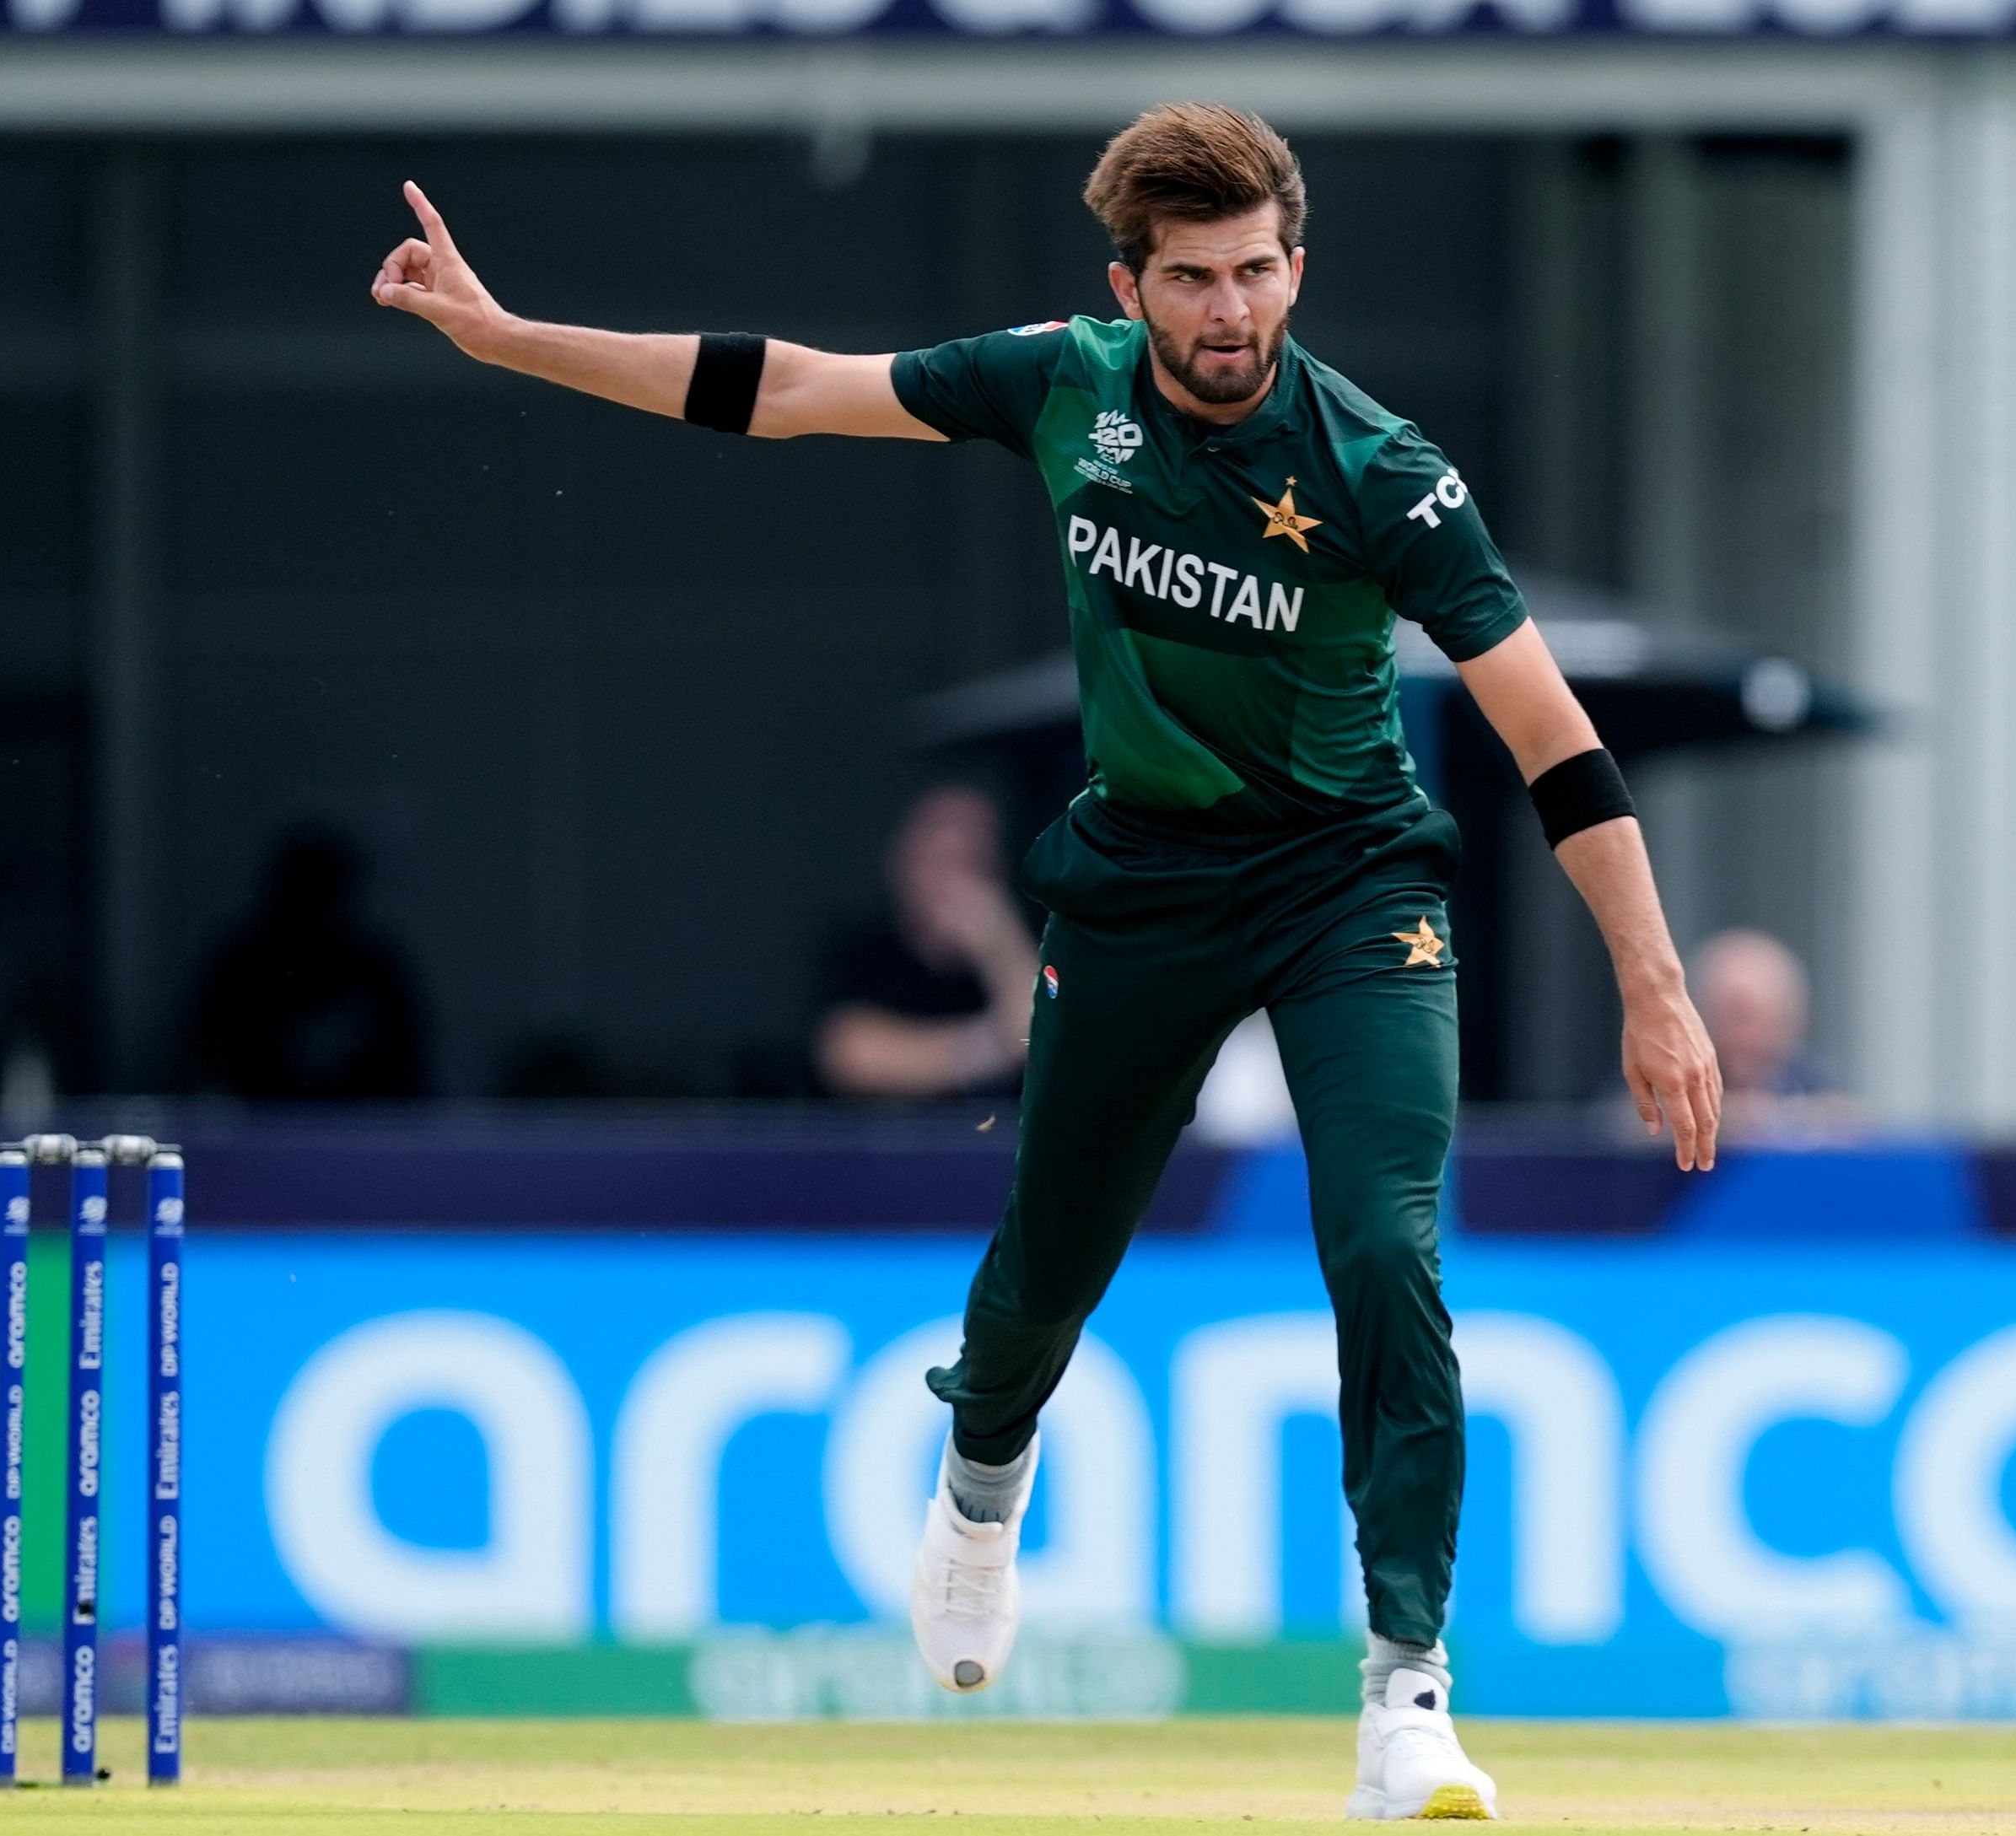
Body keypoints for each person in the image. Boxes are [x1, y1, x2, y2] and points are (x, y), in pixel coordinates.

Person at [371, 104, 1722, 1820]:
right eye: (1192, 280)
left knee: (1387, 1243)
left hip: (1348, 884)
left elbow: (1553, 730)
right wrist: (503, 336)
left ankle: (1408, 1693)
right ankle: (980, 1479)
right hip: (1141, 890)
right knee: (1048, 1269)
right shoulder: (1061, 381)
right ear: (1129, 285)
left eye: (1255, 273)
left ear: (1295, 268)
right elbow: (783, 385)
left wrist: (1655, 980)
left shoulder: (1382, 469)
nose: (1229, 311)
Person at [815, 787, 1039, 1101]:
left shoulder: (1036, 944)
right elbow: (850, 1056)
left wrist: (1002, 941)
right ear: (902, 866)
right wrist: (996, 1045)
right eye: (938, 861)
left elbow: (1045, 1038)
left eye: (971, 862)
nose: (953, 883)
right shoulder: (864, 952)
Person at [183, 824, 432, 1101]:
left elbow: (410, 1074)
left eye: (327, 895)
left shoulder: (375, 972)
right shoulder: (241, 972)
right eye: (306, 893)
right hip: (258, 1134)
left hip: (362, 1135)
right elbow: (205, 1066)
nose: (315, 911)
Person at [1688, 929, 1852, 1142]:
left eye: (1751, 1015)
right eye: (1732, 1015)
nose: (1744, 1034)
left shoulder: (1808, 1080)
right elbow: (1642, 1123)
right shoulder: (1676, 1075)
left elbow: (1850, 1123)